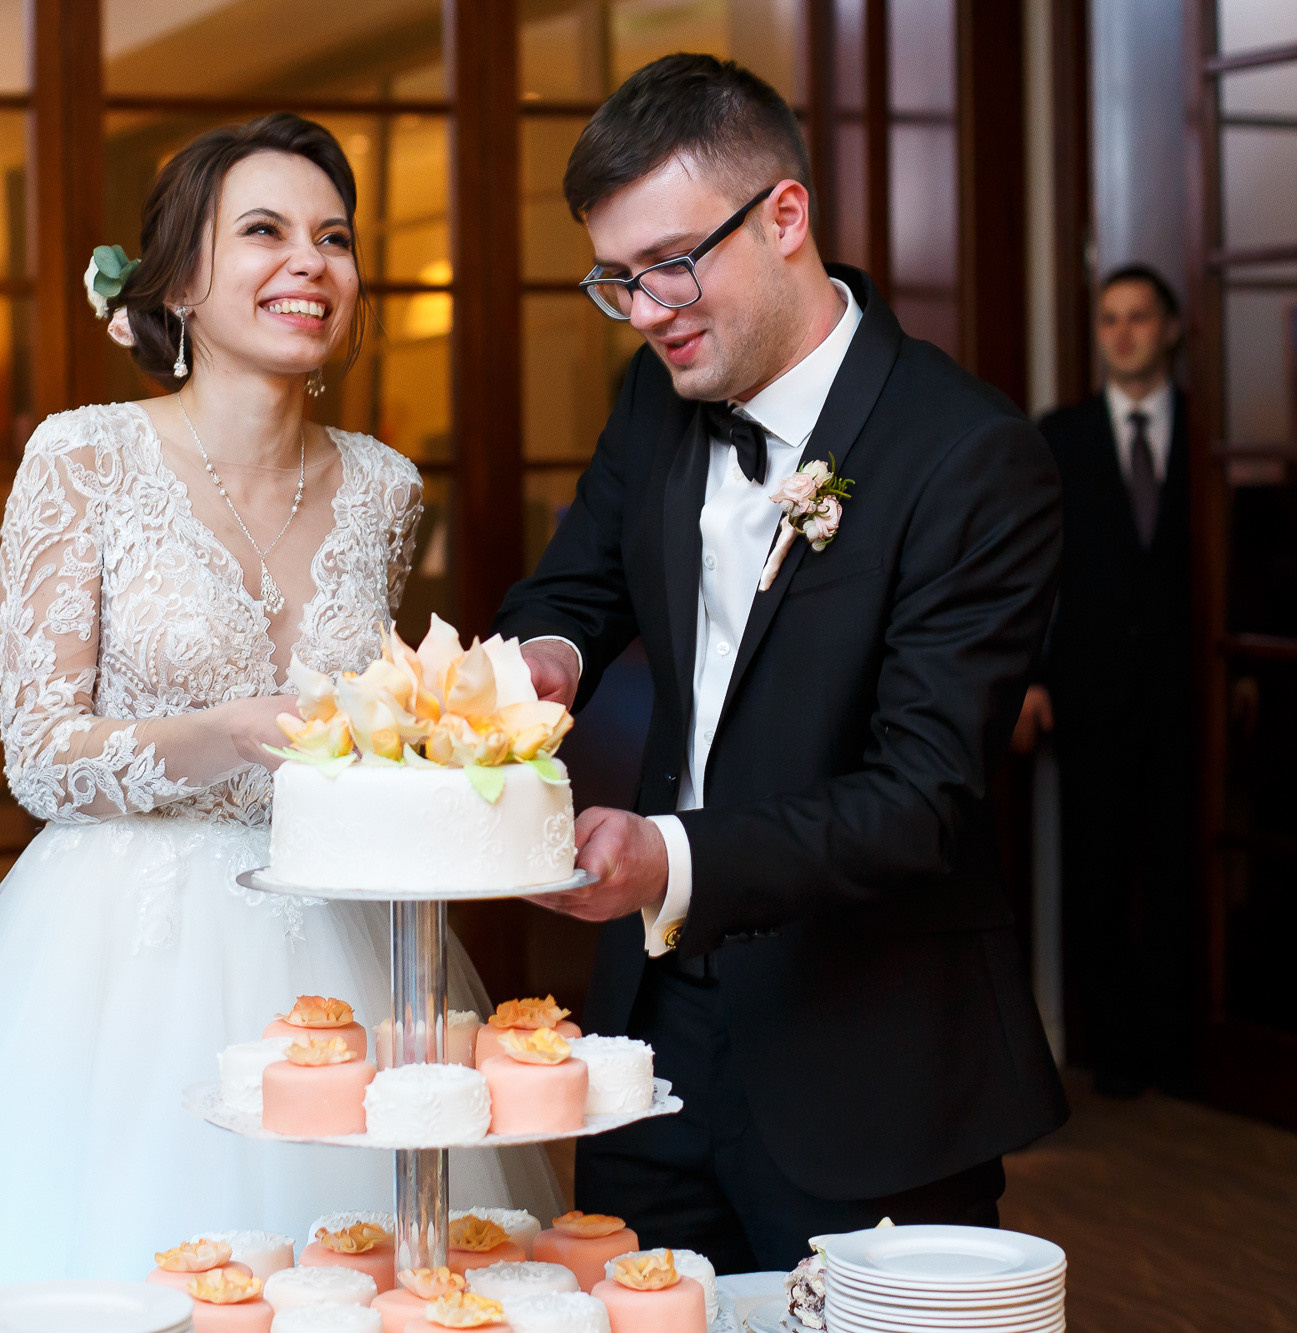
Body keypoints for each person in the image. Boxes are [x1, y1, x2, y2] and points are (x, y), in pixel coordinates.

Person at [0, 113, 557, 1333]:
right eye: (265, 231)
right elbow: (40, 756)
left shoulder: (383, 485)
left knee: (359, 1270)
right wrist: (226, 731)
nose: (309, 262)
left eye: (334, 238)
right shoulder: (81, 458)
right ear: (181, 280)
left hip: (335, 935)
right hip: (114, 950)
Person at [493, 55, 1068, 1273]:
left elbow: (920, 797)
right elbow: (572, 586)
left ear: (785, 217)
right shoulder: (652, 398)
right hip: (649, 1038)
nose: (644, 311)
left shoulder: (968, 455)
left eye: (668, 263)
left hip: (866, 1055)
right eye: (615, 279)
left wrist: (669, 857)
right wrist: (546, 657)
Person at [1017, 265, 1191, 1098]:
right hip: (1086, 695)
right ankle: (1114, 1055)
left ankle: (1179, 1052)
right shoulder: (1062, 434)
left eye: (1139, 317)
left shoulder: (1207, 431)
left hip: (1183, 697)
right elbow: (1029, 569)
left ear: (1171, 329)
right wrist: (1030, 677)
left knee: (1177, 874)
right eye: (1109, 318)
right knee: (1096, 876)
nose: (1122, 332)